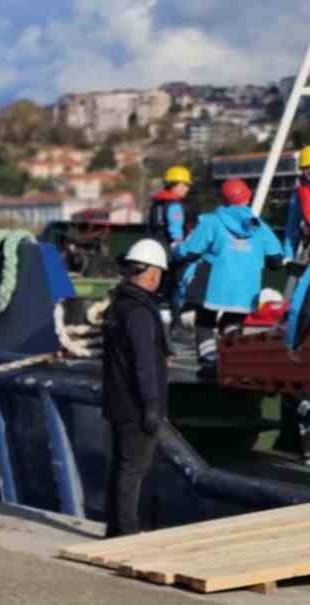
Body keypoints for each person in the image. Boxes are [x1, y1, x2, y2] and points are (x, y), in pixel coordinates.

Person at [101, 239, 173, 538]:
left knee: (121, 467)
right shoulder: (141, 312)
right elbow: (144, 363)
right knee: (133, 470)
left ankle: (115, 529)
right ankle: (126, 533)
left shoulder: (118, 304)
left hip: (117, 400)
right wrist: (152, 405)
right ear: (153, 273)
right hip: (136, 404)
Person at [175, 177, 286, 371]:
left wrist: (176, 252)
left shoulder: (211, 220)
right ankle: (232, 361)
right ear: (247, 198)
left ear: (223, 199)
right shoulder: (259, 226)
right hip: (246, 290)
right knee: (233, 321)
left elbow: (190, 251)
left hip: (214, 286)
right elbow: (276, 260)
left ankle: (209, 360)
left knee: (204, 321)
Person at [146, 165, 195, 312]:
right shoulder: (174, 206)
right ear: (174, 185)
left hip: (153, 249)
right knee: (174, 283)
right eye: (184, 184)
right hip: (169, 252)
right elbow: (176, 233)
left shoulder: (156, 204)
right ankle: (175, 318)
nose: (187, 188)